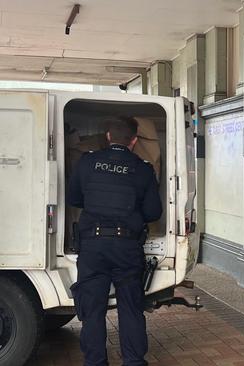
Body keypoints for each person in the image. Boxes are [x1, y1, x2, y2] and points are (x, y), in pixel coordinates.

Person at [67, 116, 162, 366]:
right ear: (133, 140)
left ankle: (95, 362)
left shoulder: (88, 163)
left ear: (108, 137)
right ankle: (133, 362)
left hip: (92, 247)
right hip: (127, 248)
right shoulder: (142, 168)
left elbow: (74, 198)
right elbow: (153, 212)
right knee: (130, 308)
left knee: (92, 310)